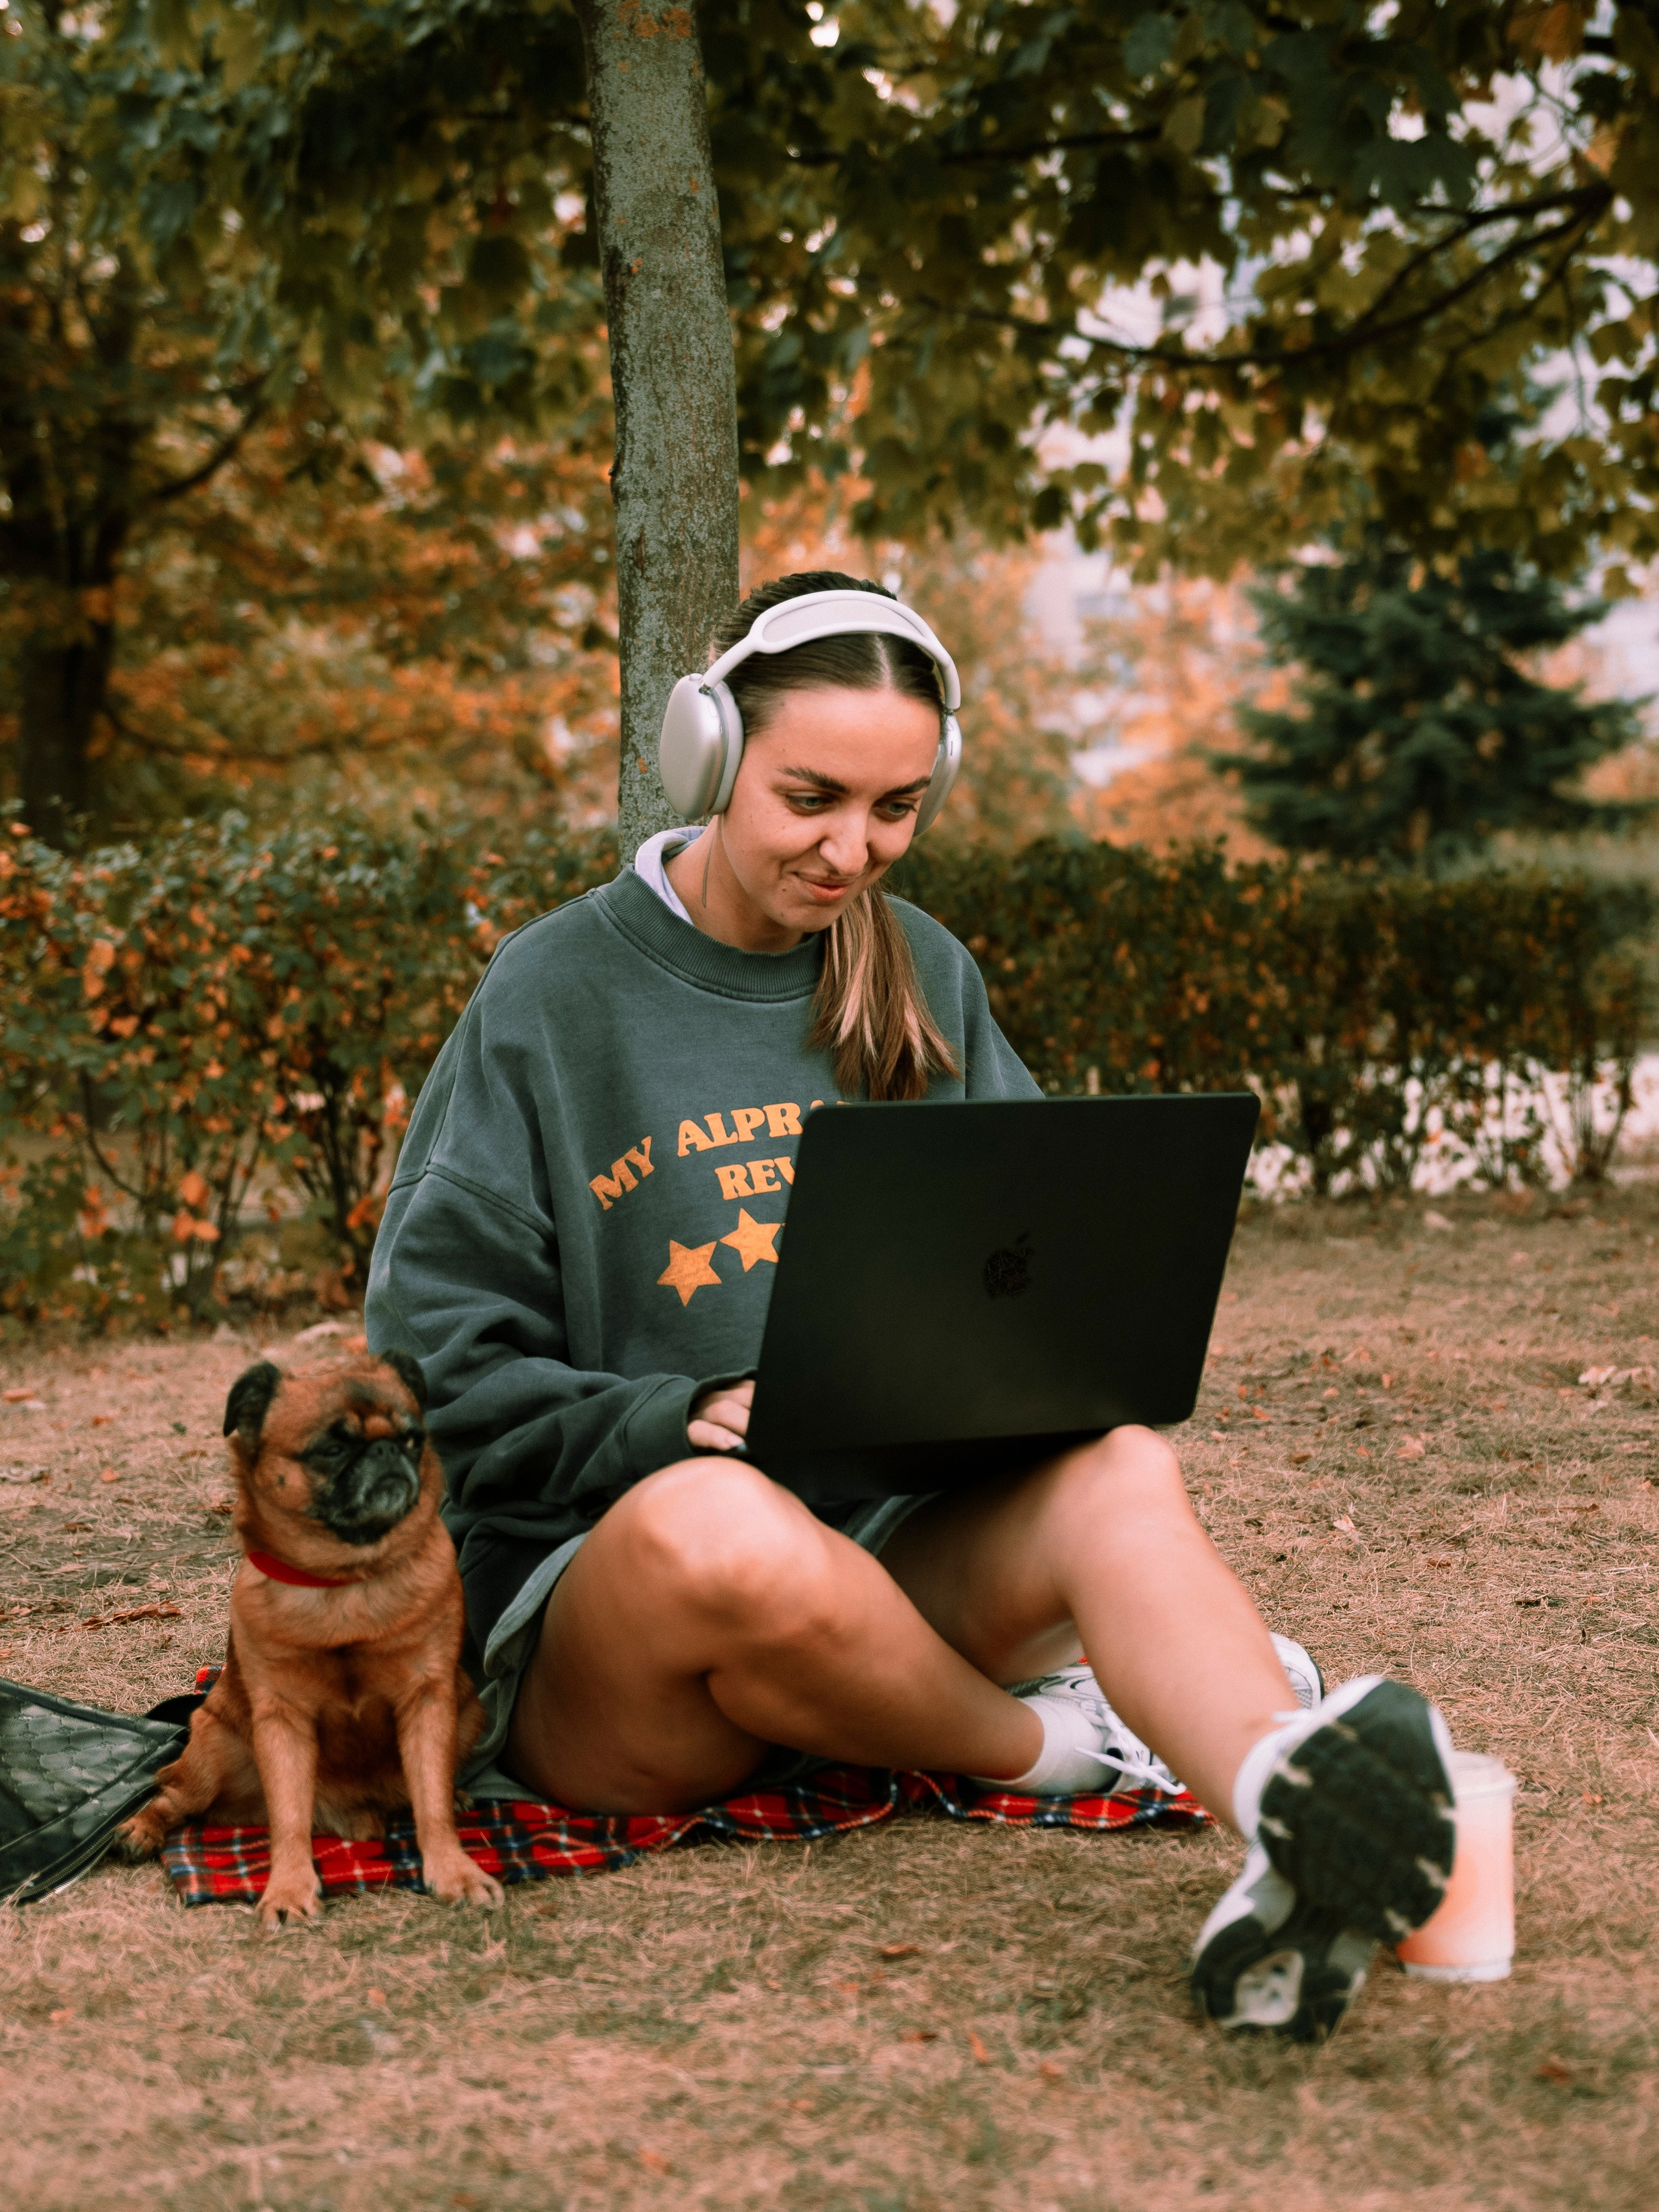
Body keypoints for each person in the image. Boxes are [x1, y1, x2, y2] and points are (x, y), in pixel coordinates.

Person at [366, 570, 1456, 2042]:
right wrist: (670, 1414)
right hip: (626, 1648)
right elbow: (429, 1379)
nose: (848, 850)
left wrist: (1029, 1378)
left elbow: (1031, 1278)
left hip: (882, 1571)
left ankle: (1289, 1814)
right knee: (719, 1522)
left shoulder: (920, 969)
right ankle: (1068, 1753)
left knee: (1122, 1464)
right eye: (810, 795)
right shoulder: (551, 996)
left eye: (894, 810)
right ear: (705, 752)